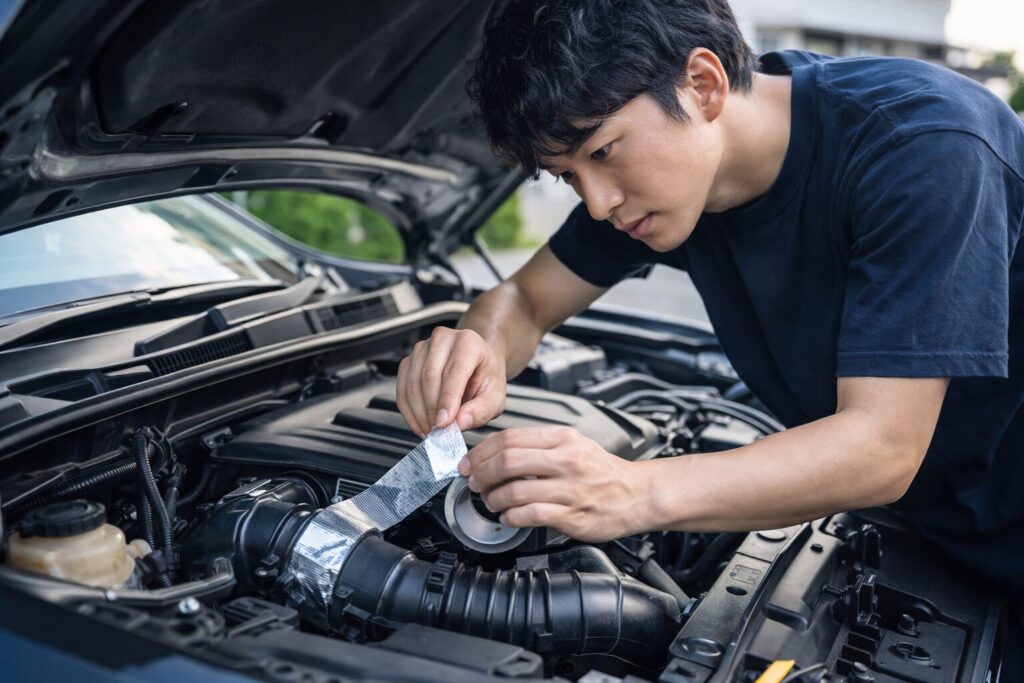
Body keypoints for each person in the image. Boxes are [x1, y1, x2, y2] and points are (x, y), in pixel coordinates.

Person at [394, 0, 1024, 659]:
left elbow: (882, 446)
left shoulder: (924, 147)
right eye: (569, 176)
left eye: (602, 151)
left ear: (703, 84)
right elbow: (524, 297)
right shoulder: (673, 184)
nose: (599, 202)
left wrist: (634, 490)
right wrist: (478, 346)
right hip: (940, 539)